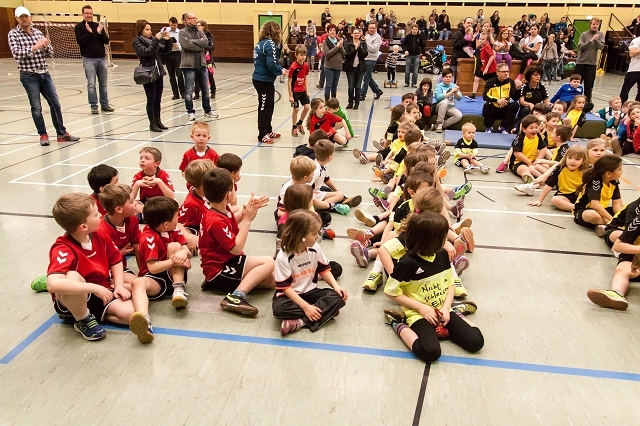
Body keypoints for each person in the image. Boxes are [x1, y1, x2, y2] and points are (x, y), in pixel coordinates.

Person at [383, 211, 484, 363]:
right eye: (443, 237)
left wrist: (446, 308)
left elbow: (450, 284)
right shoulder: (406, 264)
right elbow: (390, 292)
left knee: (476, 341)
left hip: (443, 309)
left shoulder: (443, 255)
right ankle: (397, 322)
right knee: (430, 352)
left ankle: (455, 311)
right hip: (418, 313)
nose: (447, 241)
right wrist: (421, 308)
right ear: (430, 240)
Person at [46, 193, 136, 341]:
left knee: (131, 315)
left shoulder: (99, 233)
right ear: (83, 227)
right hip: (76, 294)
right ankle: (82, 318)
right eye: (95, 214)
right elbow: (52, 284)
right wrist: (94, 288)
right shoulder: (63, 248)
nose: (101, 214)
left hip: (101, 289)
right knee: (72, 276)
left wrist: (119, 286)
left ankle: (92, 314)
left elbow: (116, 260)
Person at [200, 168, 275, 315]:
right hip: (219, 269)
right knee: (269, 263)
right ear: (229, 195)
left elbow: (230, 221)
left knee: (270, 280)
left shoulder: (215, 208)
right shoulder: (215, 220)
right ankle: (236, 296)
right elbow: (236, 248)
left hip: (224, 262)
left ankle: (217, 285)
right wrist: (247, 220)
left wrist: (246, 211)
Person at [9, 6, 80, 146]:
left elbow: (51, 52)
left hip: (44, 74)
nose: (25, 19)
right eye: (21, 17)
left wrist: (46, 46)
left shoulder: (37, 32)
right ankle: (43, 134)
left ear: (30, 17)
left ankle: (61, 133)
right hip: (29, 75)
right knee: (36, 107)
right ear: (17, 19)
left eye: (26, 16)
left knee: (55, 104)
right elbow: (17, 54)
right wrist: (35, 47)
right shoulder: (13, 34)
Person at [273, 210, 348, 335]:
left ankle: (300, 322)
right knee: (279, 309)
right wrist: (306, 307)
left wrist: (336, 286)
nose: (317, 237)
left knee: (339, 297)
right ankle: (324, 310)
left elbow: (324, 270)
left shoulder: (315, 248)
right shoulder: (283, 256)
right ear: (301, 236)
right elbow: (286, 288)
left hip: (311, 292)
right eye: (314, 234)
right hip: (290, 297)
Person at [137, 196, 192, 310]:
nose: (178, 219)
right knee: (138, 283)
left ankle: (178, 290)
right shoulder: (148, 237)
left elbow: (188, 252)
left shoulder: (173, 229)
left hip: (173, 274)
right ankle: (142, 313)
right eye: (176, 217)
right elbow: (153, 268)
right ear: (166, 224)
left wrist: (183, 253)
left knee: (174, 246)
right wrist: (176, 260)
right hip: (154, 279)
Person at [588, 216, 640, 311]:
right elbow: (618, 246)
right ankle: (617, 293)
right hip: (635, 254)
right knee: (622, 270)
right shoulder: (638, 221)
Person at [133, 20, 172, 133]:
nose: (149, 32)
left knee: (158, 99)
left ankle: (158, 121)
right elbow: (147, 52)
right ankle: (152, 123)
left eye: (150, 29)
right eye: (147, 29)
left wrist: (167, 40)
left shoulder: (152, 40)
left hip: (158, 72)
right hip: (148, 73)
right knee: (151, 99)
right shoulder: (137, 41)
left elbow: (165, 50)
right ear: (140, 30)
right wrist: (156, 40)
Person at [74, 5, 113, 115]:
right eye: (87, 13)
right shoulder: (79, 27)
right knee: (91, 84)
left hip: (101, 59)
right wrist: (89, 33)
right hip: (89, 60)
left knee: (103, 84)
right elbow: (80, 41)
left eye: (91, 13)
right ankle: (94, 106)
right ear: (83, 14)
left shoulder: (98, 26)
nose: (89, 15)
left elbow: (106, 41)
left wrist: (99, 33)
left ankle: (104, 104)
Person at [253, 21, 288, 144]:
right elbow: (271, 64)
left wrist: (279, 68)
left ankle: (268, 130)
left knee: (269, 106)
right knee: (264, 108)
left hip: (264, 80)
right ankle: (262, 134)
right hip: (263, 80)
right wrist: (280, 70)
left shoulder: (261, 43)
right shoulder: (270, 44)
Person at [524, 145, 589, 209]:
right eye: (570, 158)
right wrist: (539, 200)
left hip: (580, 196)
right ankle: (576, 208)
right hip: (564, 195)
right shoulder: (559, 168)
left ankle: (579, 207)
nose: (572, 161)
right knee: (555, 200)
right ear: (565, 157)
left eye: (577, 159)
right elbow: (549, 185)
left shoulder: (587, 171)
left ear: (583, 160)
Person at [573, 154, 623, 234]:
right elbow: (595, 205)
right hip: (585, 210)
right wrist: (612, 220)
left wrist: (619, 217)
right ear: (608, 174)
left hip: (603, 209)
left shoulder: (614, 182)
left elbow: (616, 204)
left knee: (626, 209)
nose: (622, 172)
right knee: (593, 215)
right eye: (619, 169)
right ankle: (610, 225)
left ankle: (602, 225)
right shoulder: (595, 182)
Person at [179, 13, 215, 122]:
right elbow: (186, 45)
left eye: (195, 18)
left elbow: (205, 42)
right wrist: (199, 45)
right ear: (186, 20)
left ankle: (207, 110)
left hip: (201, 65)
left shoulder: (200, 32)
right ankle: (190, 112)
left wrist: (194, 42)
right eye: (192, 18)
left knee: (205, 89)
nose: (195, 20)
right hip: (189, 66)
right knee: (189, 91)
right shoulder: (182, 32)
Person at [131, 146, 175, 213]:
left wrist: (159, 182)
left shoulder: (163, 175)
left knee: (174, 205)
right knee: (133, 205)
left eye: (147, 158)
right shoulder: (138, 176)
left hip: (161, 203)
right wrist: (137, 184)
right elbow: (130, 198)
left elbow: (171, 197)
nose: (142, 160)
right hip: (146, 203)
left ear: (157, 163)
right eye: (141, 158)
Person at [575, 18, 604, 110]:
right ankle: (573, 101)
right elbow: (580, 47)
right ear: (590, 24)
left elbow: (601, 47)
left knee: (589, 85)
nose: (595, 26)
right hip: (581, 62)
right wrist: (590, 41)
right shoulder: (584, 34)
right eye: (593, 24)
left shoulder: (600, 34)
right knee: (576, 83)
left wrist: (596, 40)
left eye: (597, 24)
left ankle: (586, 104)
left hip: (591, 64)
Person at [482, 63, 520, 133]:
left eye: (507, 71)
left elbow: (515, 98)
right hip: (493, 109)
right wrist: (497, 100)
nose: (506, 73)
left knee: (515, 105)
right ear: (497, 72)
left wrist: (518, 89)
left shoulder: (510, 82)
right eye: (503, 72)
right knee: (488, 104)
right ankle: (489, 127)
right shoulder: (490, 82)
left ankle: (504, 127)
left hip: (504, 108)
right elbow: (485, 97)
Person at [508, 115, 546, 183]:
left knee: (544, 165)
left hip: (532, 161)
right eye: (531, 128)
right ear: (524, 129)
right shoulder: (520, 137)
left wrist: (538, 160)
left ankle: (548, 177)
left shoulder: (537, 135)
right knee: (524, 169)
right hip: (518, 162)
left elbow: (543, 148)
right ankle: (530, 179)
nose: (534, 130)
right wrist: (528, 162)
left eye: (536, 127)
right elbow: (517, 153)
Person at [287, 44, 310, 137]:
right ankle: (294, 127)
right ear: (296, 55)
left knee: (307, 107)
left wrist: (307, 91)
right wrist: (290, 95)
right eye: (301, 55)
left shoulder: (306, 65)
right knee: (296, 109)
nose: (303, 57)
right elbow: (289, 81)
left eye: (304, 55)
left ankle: (299, 123)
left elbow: (305, 79)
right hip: (295, 92)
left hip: (302, 91)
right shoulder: (293, 67)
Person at [161, 17, 185, 100]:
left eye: (174, 25)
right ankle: (175, 94)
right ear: (169, 23)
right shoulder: (165, 30)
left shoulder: (180, 32)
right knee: (171, 75)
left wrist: (177, 46)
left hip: (177, 54)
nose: (173, 27)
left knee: (179, 74)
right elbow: (161, 40)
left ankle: (183, 92)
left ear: (177, 24)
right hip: (168, 54)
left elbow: (183, 45)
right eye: (171, 25)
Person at [468, 31, 497, 100]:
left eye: (483, 39)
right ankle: (473, 94)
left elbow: (491, 57)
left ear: (487, 40)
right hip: (484, 67)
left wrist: (486, 68)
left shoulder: (487, 47)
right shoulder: (483, 47)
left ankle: (496, 95)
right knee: (476, 78)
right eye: (480, 39)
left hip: (491, 69)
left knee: (494, 83)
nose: (480, 40)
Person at [344, 28, 367, 110]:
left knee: (357, 86)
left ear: (360, 34)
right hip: (350, 68)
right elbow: (347, 55)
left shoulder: (363, 43)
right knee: (351, 86)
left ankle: (356, 103)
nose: (356, 34)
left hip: (360, 68)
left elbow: (365, 54)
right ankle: (350, 102)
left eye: (358, 33)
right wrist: (355, 49)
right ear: (352, 34)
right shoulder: (348, 44)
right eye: (355, 33)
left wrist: (359, 48)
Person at [194, 20, 217, 101]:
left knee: (209, 76)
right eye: (196, 25)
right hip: (198, 58)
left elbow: (212, 47)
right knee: (197, 76)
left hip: (207, 59)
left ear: (203, 26)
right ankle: (197, 93)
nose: (197, 27)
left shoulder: (209, 36)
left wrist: (203, 46)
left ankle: (213, 91)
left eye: (199, 25)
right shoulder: (195, 35)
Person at [433, 68, 462, 133]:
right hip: (439, 107)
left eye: (450, 77)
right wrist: (450, 92)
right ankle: (439, 123)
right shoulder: (439, 86)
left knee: (459, 115)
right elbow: (438, 98)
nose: (448, 79)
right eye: (446, 77)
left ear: (452, 78)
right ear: (442, 78)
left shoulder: (454, 86)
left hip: (450, 107)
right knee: (444, 102)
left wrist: (456, 93)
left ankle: (443, 125)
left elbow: (460, 98)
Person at [361, 22, 384, 101]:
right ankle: (378, 91)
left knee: (366, 77)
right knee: (368, 77)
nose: (372, 29)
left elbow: (374, 49)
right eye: (370, 28)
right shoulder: (367, 36)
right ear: (368, 28)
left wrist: (366, 43)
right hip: (365, 58)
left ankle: (362, 94)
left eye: (373, 28)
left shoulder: (377, 37)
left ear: (376, 29)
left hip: (371, 59)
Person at [322, 24, 345, 101]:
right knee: (329, 85)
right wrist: (337, 47)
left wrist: (341, 47)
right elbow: (327, 54)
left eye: (334, 30)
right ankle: (327, 101)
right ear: (328, 32)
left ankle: (333, 102)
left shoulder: (339, 41)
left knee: (335, 86)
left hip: (338, 67)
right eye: (330, 30)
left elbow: (344, 54)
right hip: (329, 67)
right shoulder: (325, 42)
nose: (332, 32)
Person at [619, 34, 640, 103]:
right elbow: (632, 53)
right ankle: (621, 105)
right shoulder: (636, 40)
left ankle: (637, 107)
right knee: (625, 91)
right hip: (634, 70)